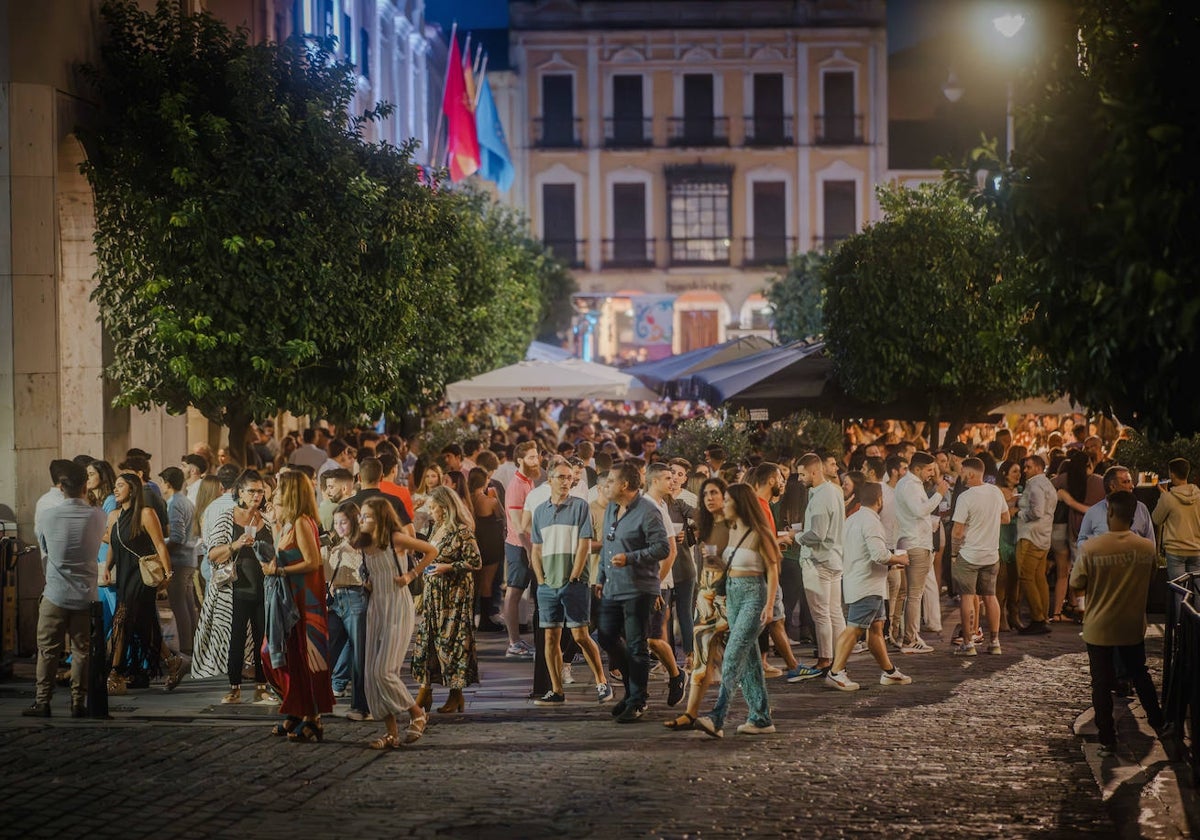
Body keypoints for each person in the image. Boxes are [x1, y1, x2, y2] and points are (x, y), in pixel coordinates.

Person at [1070, 491, 1169, 756]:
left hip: (1098, 625)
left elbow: (1076, 583)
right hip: (1131, 623)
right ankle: (1158, 721)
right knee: (1140, 673)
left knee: (1101, 682)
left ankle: (1107, 737)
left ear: (1109, 513)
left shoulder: (1092, 548)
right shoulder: (1146, 548)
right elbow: (1150, 581)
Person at [694, 484, 781, 738]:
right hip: (732, 594)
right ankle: (761, 718)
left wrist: (769, 605)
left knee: (732, 654)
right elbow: (729, 564)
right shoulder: (731, 531)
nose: (724, 504)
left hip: (754, 594)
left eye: (728, 500)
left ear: (741, 503)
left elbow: (773, 570)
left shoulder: (759, 533)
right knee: (750, 661)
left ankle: (717, 716)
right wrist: (712, 559)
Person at [23, 460, 105, 718]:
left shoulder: (48, 515)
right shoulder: (98, 515)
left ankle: (42, 701)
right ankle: (78, 702)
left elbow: (45, 547)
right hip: (85, 594)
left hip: (56, 592)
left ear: (61, 487)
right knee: (82, 651)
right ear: (84, 486)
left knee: (47, 650)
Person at [357, 498, 438, 749]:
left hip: (397, 605)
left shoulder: (396, 538)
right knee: (372, 674)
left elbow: (431, 550)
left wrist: (411, 575)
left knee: (385, 671)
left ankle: (417, 713)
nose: (362, 521)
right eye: (361, 516)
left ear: (380, 517)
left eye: (367, 516)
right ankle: (391, 732)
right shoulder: (364, 543)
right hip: (376, 607)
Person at [261, 470, 335, 742]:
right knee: (274, 653)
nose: (276, 492)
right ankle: (296, 708)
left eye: (280, 488)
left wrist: (280, 572)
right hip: (288, 601)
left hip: (305, 602)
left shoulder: (304, 523)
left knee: (303, 658)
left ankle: (311, 715)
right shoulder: (289, 523)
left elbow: (313, 562)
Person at [595, 462, 671, 723]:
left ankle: (638, 700)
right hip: (612, 588)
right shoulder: (611, 510)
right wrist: (600, 577)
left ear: (624, 485)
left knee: (637, 645)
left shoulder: (648, 511)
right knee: (605, 637)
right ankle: (630, 692)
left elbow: (662, 548)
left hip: (639, 588)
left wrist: (631, 557)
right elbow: (608, 544)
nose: (606, 486)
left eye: (611, 481)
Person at [529, 459, 609, 706]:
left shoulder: (580, 506)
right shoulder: (540, 510)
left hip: (573, 582)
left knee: (580, 635)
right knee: (550, 637)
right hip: (548, 584)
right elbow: (536, 548)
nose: (566, 481)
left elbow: (585, 543)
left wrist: (575, 575)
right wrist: (541, 579)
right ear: (550, 480)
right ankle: (556, 689)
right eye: (560, 477)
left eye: (568, 477)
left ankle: (601, 682)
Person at [823, 482, 913, 691]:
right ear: (879, 500)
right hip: (868, 584)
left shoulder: (853, 519)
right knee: (855, 628)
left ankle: (889, 672)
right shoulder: (872, 522)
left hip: (861, 580)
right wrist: (900, 558)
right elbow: (879, 555)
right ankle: (836, 672)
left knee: (876, 628)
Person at [103, 472, 185, 694]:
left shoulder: (146, 513)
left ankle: (115, 673)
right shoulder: (113, 516)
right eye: (115, 486)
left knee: (121, 619)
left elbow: (159, 545)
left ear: (132, 488)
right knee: (142, 626)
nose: (116, 489)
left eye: (120, 485)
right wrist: (107, 568)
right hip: (125, 575)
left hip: (142, 577)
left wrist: (168, 574)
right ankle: (171, 661)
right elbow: (112, 544)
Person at [665, 476, 731, 731]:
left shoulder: (734, 524)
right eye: (705, 494)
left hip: (732, 597)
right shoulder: (707, 525)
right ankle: (691, 714)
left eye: (715, 493)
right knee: (703, 658)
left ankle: (758, 713)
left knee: (741, 663)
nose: (710, 498)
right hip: (708, 596)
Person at [411, 486, 483, 715]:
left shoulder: (462, 531)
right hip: (433, 597)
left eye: (433, 507)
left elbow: (476, 562)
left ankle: (456, 694)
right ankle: (425, 690)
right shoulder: (436, 529)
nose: (430, 511)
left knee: (452, 646)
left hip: (454, 599)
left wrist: (448, 567)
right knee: (426, 644)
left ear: (444, 507)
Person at [207, 469, 275, 705]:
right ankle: (234, 687)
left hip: (264, 588)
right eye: (252, 491)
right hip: (236, 588)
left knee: (262, 638)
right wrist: (236, 545)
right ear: (240, 493)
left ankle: (261, 686)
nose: (256, 495)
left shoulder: (266, 520)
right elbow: (213, 554)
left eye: (260, 491)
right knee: (235, 639)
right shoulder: (228, 516)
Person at [788, 453, 845, 679]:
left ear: (814, 472)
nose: (800, 478)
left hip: (819, 561)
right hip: (834, 558)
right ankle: (839, 658)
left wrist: (797, 536)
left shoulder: (822, 496)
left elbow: (817, 534)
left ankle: (825, 660)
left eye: (802, 474)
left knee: (821, 614)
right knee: (834, 612)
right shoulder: (834, 491)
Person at [950, 458, 1010, 656]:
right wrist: (988, 523)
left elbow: (957, 532)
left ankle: (968, 643)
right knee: (991, 597)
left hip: (969, 554)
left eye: (963, 473)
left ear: (972, 474)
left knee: (967, 597)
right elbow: (1006, 518)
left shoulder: (965, 497)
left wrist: (953, 553)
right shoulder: (995, 492)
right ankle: (995, 642)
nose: (961, 476)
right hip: (991, 554)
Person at [893, 452, 949, 654]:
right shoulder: (909, 485)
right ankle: (909, 638)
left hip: (915, 540)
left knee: (911, 594)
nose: (932, 474)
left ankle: (909, 635)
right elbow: (919, 510)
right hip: (915, 544)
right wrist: (940, 494)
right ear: (917, 469)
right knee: (915, 595)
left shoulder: (910, 485)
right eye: (929, 470)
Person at [323, 501, 370, 721]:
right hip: (336, 601)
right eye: (336, 523)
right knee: (327, 649)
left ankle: (361, 706)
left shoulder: (364, 546)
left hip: (355, 598)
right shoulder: (337, 544)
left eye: (343, 522)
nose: (339, 526)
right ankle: (319, 700)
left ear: (354, 521)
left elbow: (370, 577)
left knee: (359, 655)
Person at [502, 441, 541, 658]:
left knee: (518, 593)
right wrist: (528, 549)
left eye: (537, 456)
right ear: (520, 460)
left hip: (526, 544)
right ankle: (514, 643)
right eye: (532, 457)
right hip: (519, 546)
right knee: (514, 592)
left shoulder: (528, 482)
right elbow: (518, 526)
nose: (536, 461)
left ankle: (516, 642)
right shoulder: (517, 485)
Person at [158, 466, 198, 658]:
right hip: (189, 558)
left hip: (180, 560)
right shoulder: (186, 501)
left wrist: (161, 548)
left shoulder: (174, 503)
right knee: (189, 604)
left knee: (179, 604)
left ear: (167, 483)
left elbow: (177, 536)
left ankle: (185, 647)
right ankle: (193, 642)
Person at [1016, 455, 1057, 635]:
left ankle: (1037, 618)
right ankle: (1043, 616)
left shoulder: (1034, 484)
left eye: (1028, 467)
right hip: (1044, 536)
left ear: (1039, 468)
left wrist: (1020, 513)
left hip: (1031, 536)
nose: (1025, 471)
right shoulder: (1048, 484)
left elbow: (1037, 511)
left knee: (1026, 576)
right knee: (1039, 577)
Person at [85, 459, 119, 637]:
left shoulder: (111, 501)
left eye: (91, 474)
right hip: (97, 557)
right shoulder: (94, 501)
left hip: (108, 557)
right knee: (103, 607)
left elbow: (110, 534)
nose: (87, 478)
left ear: (102, 476)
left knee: (112, 604)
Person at [1153, 458, 1200, 581]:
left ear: (1172, 474)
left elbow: (1156, 519)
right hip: (1196, 548)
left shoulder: (1168, 498)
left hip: (1176, 550)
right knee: (1198, 592)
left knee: (1180, 590)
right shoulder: (1199, 495)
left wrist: (1163, 495)